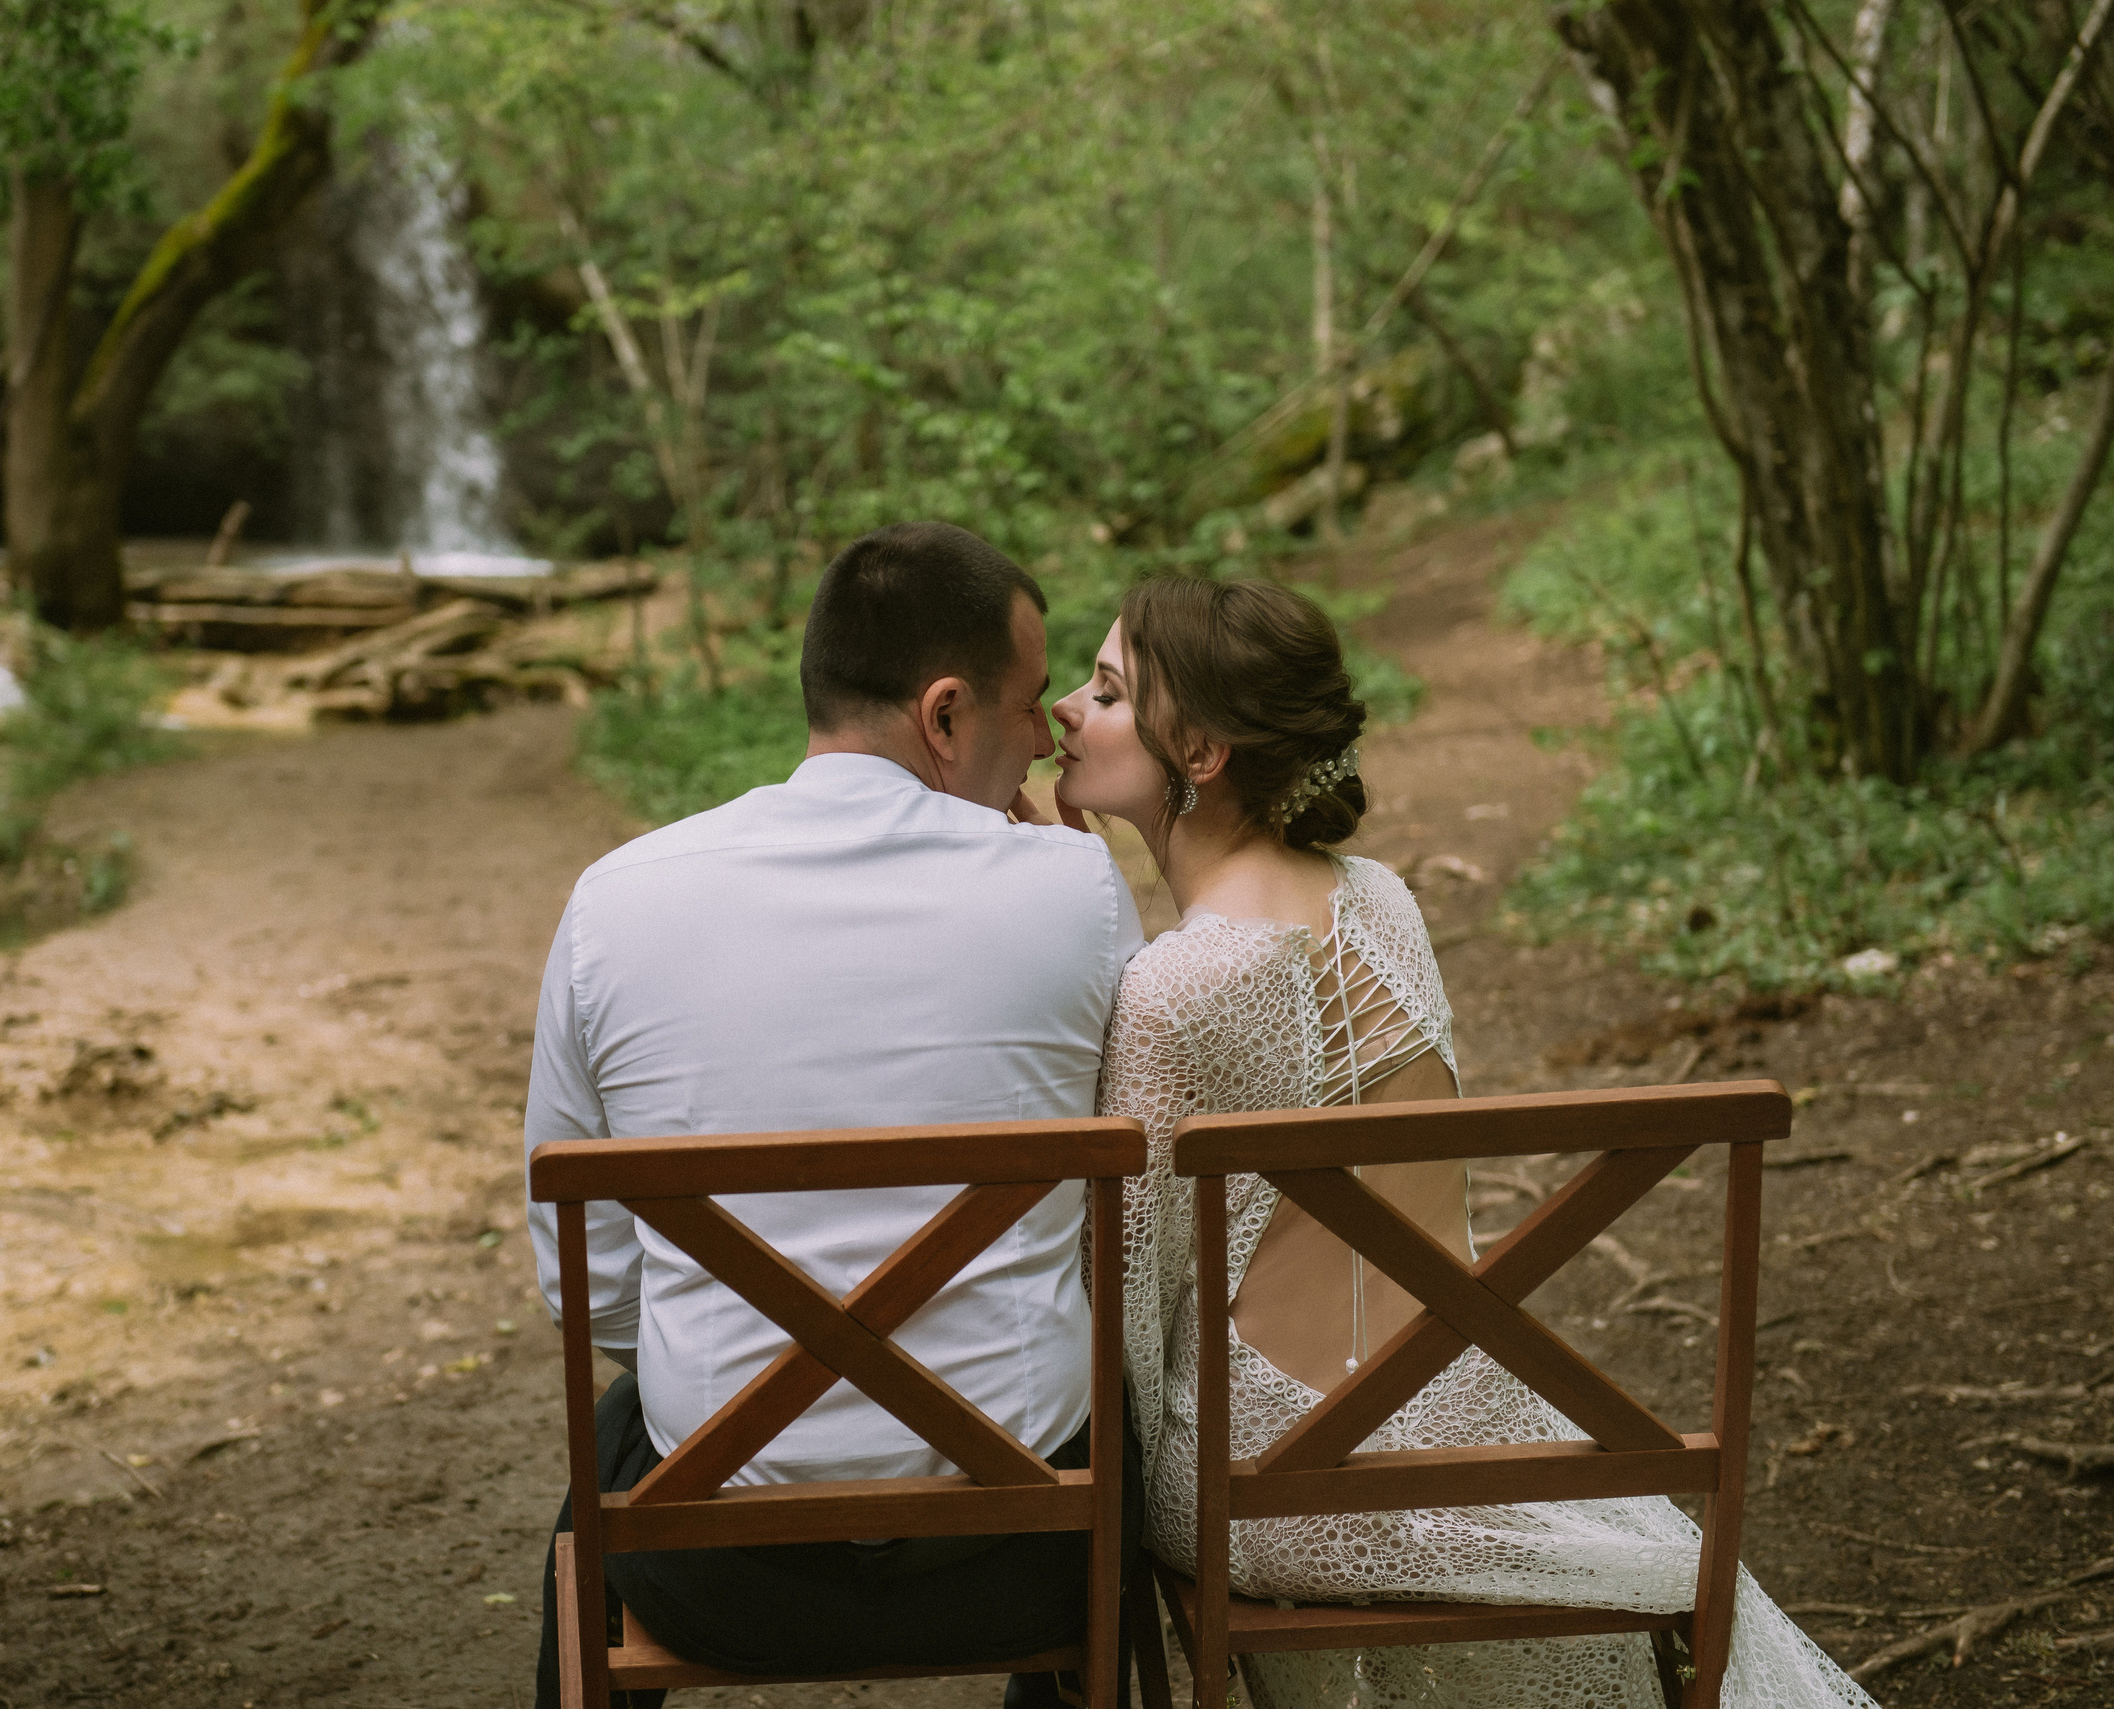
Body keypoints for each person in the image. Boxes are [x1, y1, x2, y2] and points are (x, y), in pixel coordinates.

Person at [1051, 575, 1877, 1709]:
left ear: (1197, 749)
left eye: (1102, 690)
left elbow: (1119, 1299)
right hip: (1475, 1425)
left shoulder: (1173, 988)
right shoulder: (1381, 898)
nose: (1062, 706)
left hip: (1263, 1476)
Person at [523, 521, 1143, 1708]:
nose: (1045, 732)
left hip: (717, 1569)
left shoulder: (618, 899)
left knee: (607, 1453)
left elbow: (588, 1289)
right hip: (1029, 1562)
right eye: (1025, 705)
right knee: (1104, 1407)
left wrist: (748, 1382)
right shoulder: (1075, 888)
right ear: (946, 714)